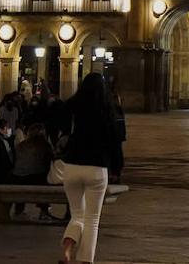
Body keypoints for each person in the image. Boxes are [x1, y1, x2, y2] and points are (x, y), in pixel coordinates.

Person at [57, 73, 124, 264]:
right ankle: (86, 260)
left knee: (77, 213)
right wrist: (117, 167)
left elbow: (60, 126)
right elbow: (115, 142)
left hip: (71, 166)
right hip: (96, 167)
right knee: (92, 219)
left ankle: (68, 247)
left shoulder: (72, 105)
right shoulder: (107, 110)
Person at [12, 123, 57, 220]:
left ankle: (18, 210)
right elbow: (50, 162)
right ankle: (44, 211)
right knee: (45, 179)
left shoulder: (21, 144)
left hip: (18, 177)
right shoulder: (44, 145)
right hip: (36, 177)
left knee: (24, 183)